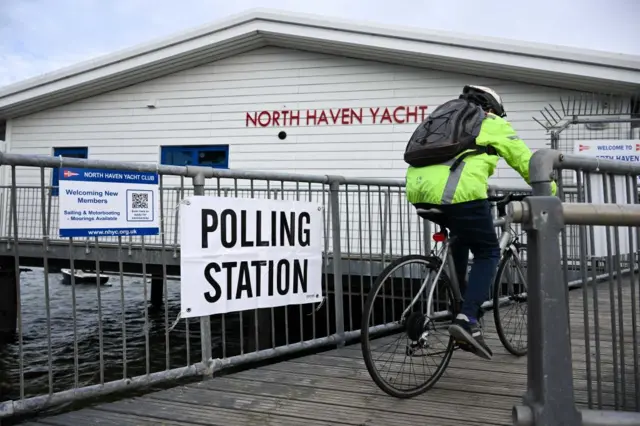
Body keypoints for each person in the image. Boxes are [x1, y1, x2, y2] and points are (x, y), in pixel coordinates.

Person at [404, 85, 556, 360]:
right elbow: (525, 161)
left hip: (419, 191)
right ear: (493, 109)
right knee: (488, 251)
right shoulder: (491, 122)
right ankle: (466, 319)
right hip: (457, 194)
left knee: (461, 238)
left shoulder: (443, 118)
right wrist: (550, 192)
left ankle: (458, 305)